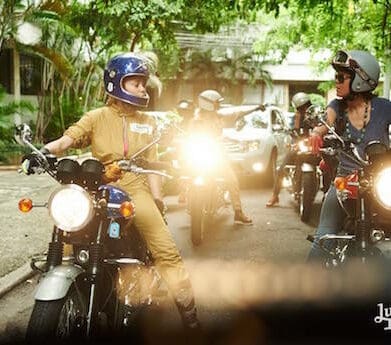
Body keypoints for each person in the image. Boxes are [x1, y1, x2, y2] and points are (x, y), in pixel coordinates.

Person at [22, 52, 200, 329]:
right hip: (99, 186)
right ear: (116, 84)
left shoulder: (149, 123)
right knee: (70, 237)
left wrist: (157, 198)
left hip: (135, 187)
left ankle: (189, 313)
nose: (143, 88)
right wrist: (41, 152)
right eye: (135, 83)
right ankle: (66, 293)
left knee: (165, 251)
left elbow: (152, 166)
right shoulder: (97, 117)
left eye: (143, 83)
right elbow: (67, 140)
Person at [307, 49, 391, 260]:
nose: (336, 81)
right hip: (346, 182)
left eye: (341, 77)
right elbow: (325, 122)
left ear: (361, 80)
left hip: (380, 182)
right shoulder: (337, 106)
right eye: (336, 76)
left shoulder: (383, 107)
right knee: (323, 237)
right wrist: (317, 132)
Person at [188, 89, 253, 225]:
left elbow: (237, 113)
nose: (219, 105)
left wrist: (256, 108)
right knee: (186, 175)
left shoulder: (219, 117)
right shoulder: (195, 121)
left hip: (215, 155)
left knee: (232, 179)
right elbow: (187, 137)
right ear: (208, 103)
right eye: (217, 103)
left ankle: (238, 212)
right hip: (197, 154)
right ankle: (190, 203)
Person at [266, 92, 313, 207]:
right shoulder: (298, 116)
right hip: (300, 146)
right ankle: (275, 196)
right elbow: (295, 131)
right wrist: (295, 140)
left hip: (313, 147)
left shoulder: (315, 114)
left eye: (305, 106)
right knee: (281, 169)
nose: (304, 109)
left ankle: (328, 192)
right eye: (301, 107)